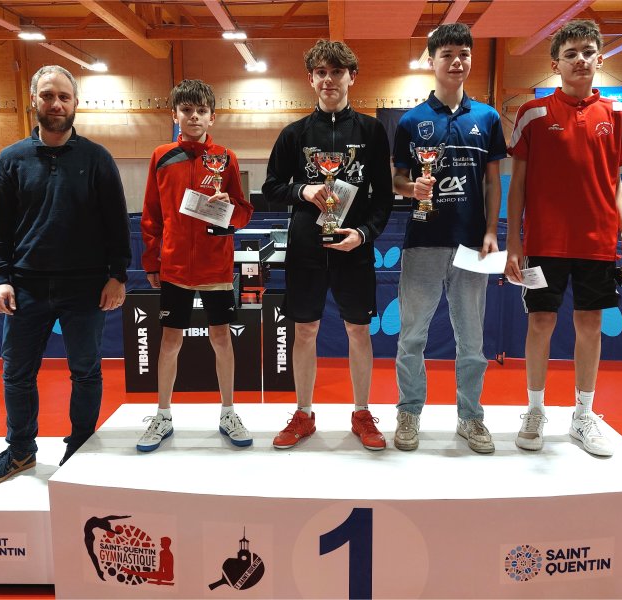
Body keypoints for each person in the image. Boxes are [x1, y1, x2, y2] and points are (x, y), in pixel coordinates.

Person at [0, 65, 131, 486]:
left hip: (86, 287)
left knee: (86, 371)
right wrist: (0, 277)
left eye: (64, 96)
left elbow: (116, 223)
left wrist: (118, 275)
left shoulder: (97, 159)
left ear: (76, 103)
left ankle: (81, 445)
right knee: (16, 374)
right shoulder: (11, 159)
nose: (56, 104)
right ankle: (20, 450)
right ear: (34, 101)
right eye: (47, 95)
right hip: (25, 287)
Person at [505, 19, 622, 457]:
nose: (579, 60)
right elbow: (518, 183)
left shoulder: (618, 114)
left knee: (590, 325)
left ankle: (583, 415)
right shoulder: (532, 113)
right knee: (540, 323)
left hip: (597, 242)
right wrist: (514, 242)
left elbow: (615, 182)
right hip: (544, 242)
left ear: (600, 59)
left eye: (587, 52)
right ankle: (535, 411)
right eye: (570, 54)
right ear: (555, 64)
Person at [262, 40, 394, 451]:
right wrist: (303, 190)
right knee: (305, 329)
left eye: (337, 72)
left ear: (352, 77)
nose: (328, 80)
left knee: (358, 329)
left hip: (353, 245)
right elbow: (271, 188)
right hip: (306, 246)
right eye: (321, 72)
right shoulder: (294, 134)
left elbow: (384, 197)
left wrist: (365, 234)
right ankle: (303, 413)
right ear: (311, 79)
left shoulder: (371, 131)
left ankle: (361, 412)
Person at [392, 23, 506, 454]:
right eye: (447, 54)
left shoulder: (487, 118)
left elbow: (493, 181)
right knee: (412, 337)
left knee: (472, 342)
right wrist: (412, 190)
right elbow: (398, 180)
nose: (457, 61)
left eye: (464, 53)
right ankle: (408, 411)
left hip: (471, 245)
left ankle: (470, 417)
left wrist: (491, 230)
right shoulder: (410, 121)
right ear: (432, 61)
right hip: (423, 241)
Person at [136, 79, 254, 452]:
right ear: (175, 115)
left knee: (221, 338)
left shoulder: (226, 158)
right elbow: (151, 214)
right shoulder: (161, 156)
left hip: (216, 265)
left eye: (201, 111)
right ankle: (163, 414)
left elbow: (244, 213)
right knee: (171, 341)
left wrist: (228, 206)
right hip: (174, 267)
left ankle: (228, 412)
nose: (194, 117)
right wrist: (152, 261)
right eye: (186, 110)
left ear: (212, 117)